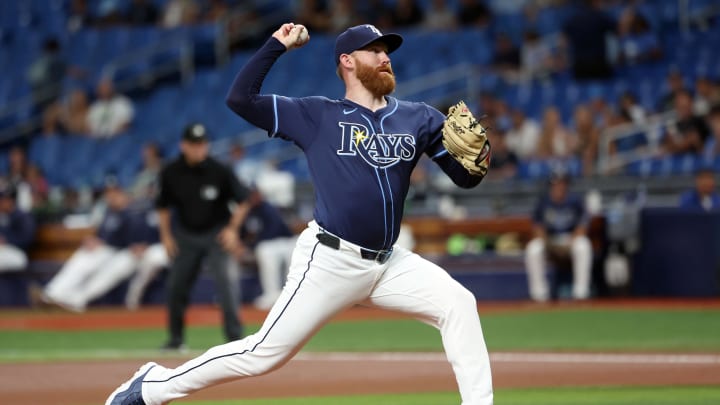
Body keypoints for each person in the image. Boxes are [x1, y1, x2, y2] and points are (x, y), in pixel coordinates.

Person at [106, 23, 494, 405]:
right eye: (374, 50)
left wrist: (480, 159)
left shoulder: (420, 118)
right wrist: (276, 44)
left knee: (458, 303)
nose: (384, 57)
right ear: (347, 61)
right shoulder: (317, 115)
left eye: (386, 51)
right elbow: (240, 98)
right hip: (330, 260)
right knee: (261, 354)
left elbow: (464, 178)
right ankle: (152, 387)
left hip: (389, 264)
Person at [154, 123, 252, 350]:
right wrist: (166, 237)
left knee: (227, 285)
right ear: (184, 145)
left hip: (216, 235)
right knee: (176, 287)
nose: (200, 149)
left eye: (203, 144)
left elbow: (245, 199)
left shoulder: (219, 170)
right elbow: (162, 206)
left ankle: (234, 340)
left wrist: (232, 229)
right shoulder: (170, 171)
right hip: (186, 236)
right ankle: (175, 339)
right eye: (195, 144)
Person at [36, 183, 133, 312]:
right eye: (109, 193)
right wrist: (94, 240)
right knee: (82, 257)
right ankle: (53, 294)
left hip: (120, 252)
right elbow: (102, 234)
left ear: (123, 194)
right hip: (104, 251)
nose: (111, 197)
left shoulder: (132, 213)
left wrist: (102, 243)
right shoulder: (109, 213)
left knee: (103, 272)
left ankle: (72, 300)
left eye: (115, 193)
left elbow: (133, 239)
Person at [525, 172, 593, 302]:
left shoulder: (575, 200)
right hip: (550, 240)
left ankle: (581, 293)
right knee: (533, 249)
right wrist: (548, 244)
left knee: (583, 246)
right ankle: (539, 295)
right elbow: (537, 227)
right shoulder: (544, 201)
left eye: (562, 184)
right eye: (555, 184)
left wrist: (571, 242)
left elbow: (582, 225)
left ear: (566, 185)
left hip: (571, 238)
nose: (559, 187)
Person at [237, 191, 296, 310]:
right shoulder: (248, 211)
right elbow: (243, 232)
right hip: (268, 245)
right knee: (265, 253)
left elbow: (272, 231)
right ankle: (272, 295)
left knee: (291, 271)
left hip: (284, 242)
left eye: (255, 195)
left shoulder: (268, 208)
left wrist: (251, 245)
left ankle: (292, 296)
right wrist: (244, 246)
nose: (254, 198)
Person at [0, 185, 36, 273]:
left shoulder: (23, 217)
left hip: (18, 253)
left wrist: (6, 240)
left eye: (3, 200)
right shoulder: (3, 216)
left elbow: (26, 239)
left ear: (11, 201)